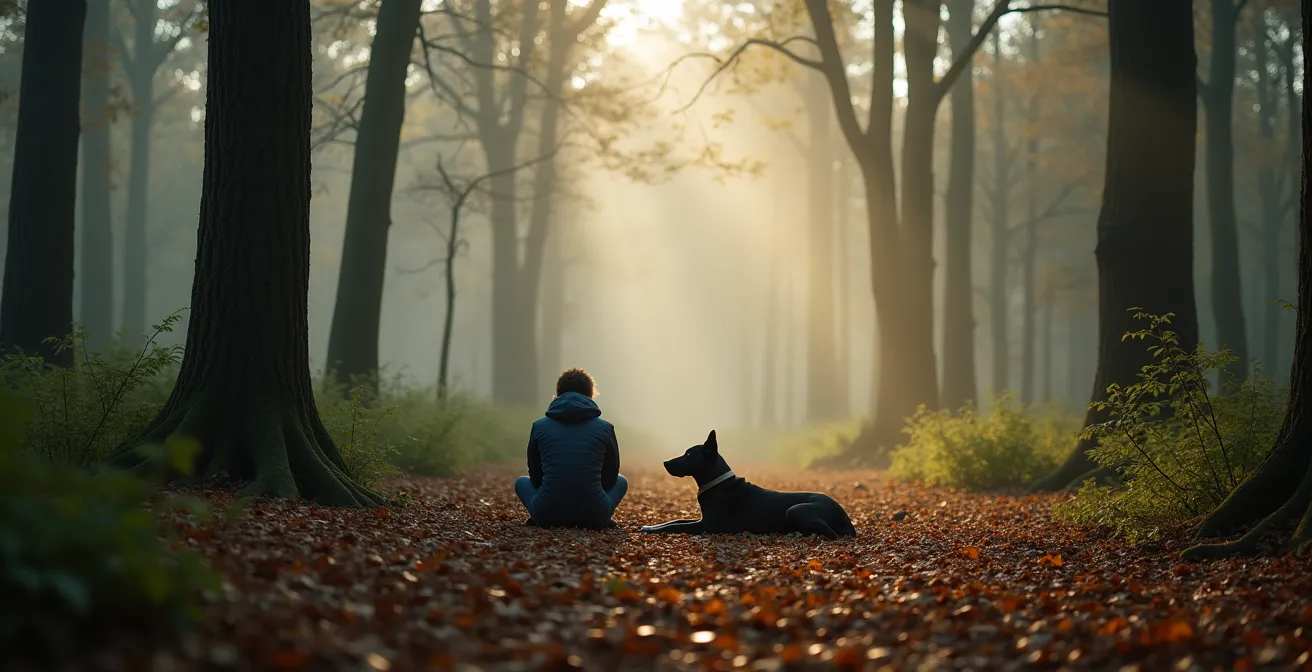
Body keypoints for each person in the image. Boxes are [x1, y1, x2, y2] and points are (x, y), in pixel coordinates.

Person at [514, 368, 627, 529]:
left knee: (521, 482)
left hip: (546, 513)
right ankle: (600, 518)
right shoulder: (605, 428)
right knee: (621, 481)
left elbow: (535, 475)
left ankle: (542, 517)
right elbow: (611, 475)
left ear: (558, 394)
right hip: (595, 514)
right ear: (590, 395)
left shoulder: (539, 426)